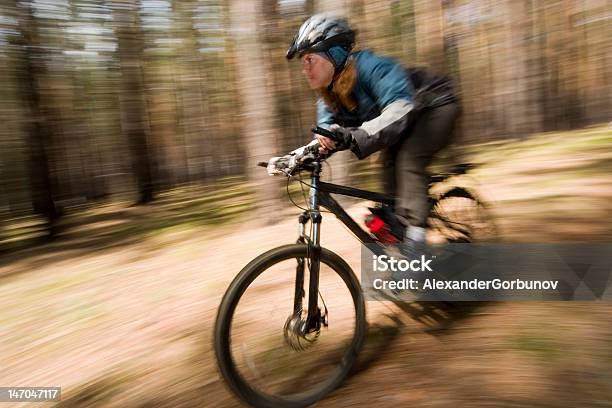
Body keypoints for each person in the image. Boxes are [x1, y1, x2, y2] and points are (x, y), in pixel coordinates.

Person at [284, 14, 459, 254]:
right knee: (388, 189)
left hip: (437, 107)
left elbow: (400, 107)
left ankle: (417, 243)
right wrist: (293, 158)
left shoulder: (371, 66)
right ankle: (403, 239)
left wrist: (354, 135)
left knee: (408, 160)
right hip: (407, 123)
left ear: (334, 54)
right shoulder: (328, 93)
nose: (305, 69)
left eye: (309, 59)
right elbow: (326, 134)